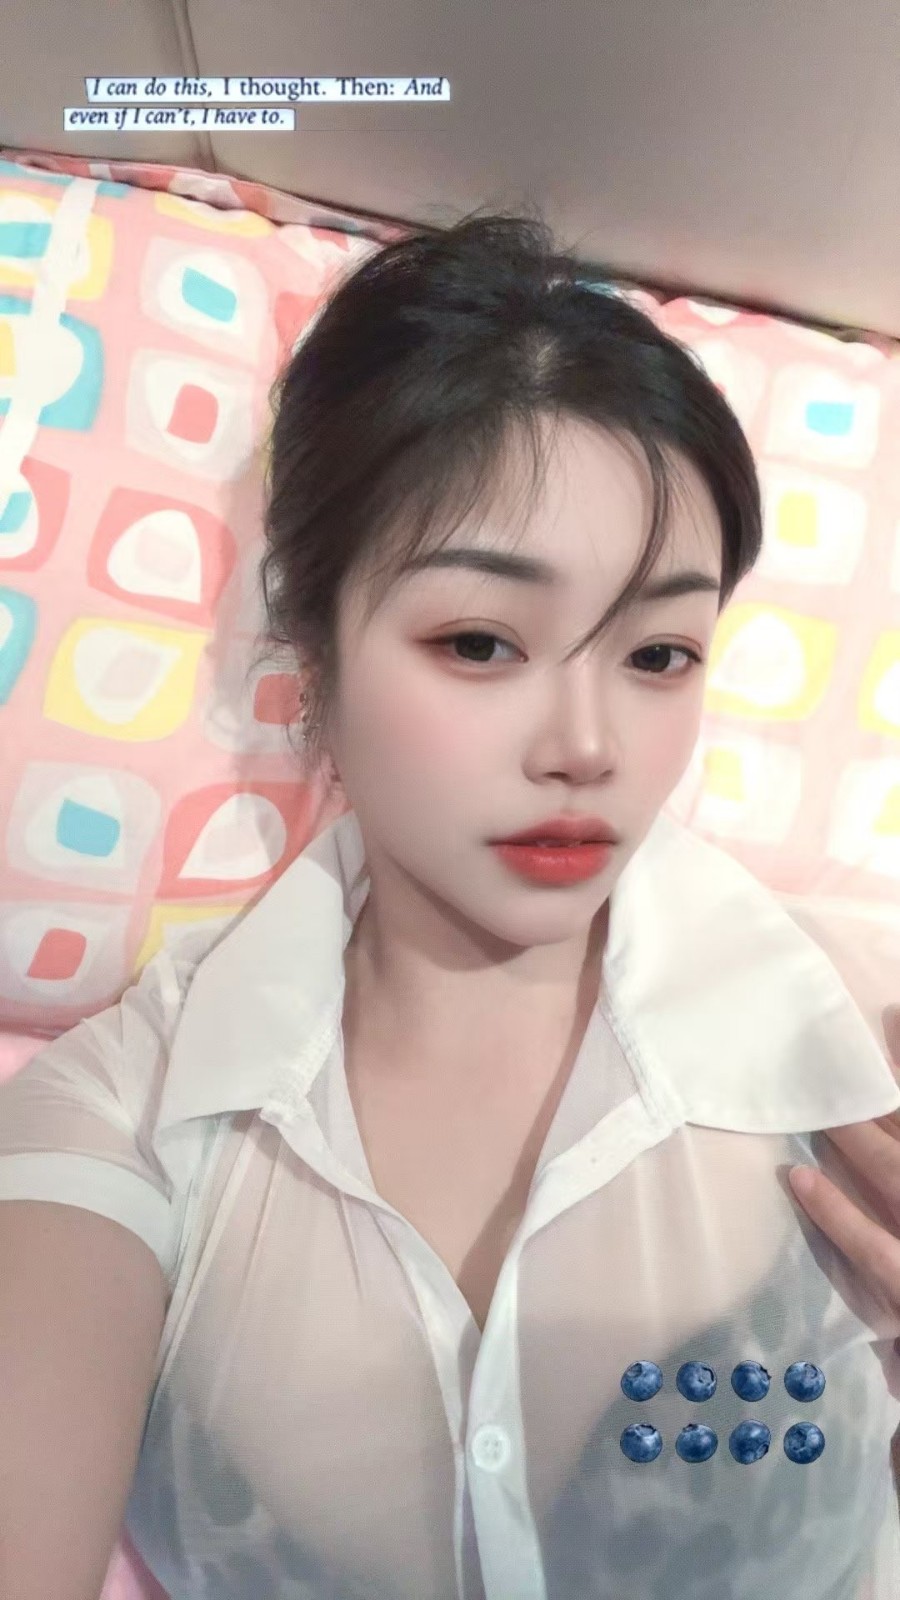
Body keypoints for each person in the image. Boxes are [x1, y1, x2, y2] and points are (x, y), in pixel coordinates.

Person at [2, 205, 900, 1600]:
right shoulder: (127, 1115)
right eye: (480, 642)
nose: (587, 745)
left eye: (659, 654)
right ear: (311, 649)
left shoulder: (858, 1036)